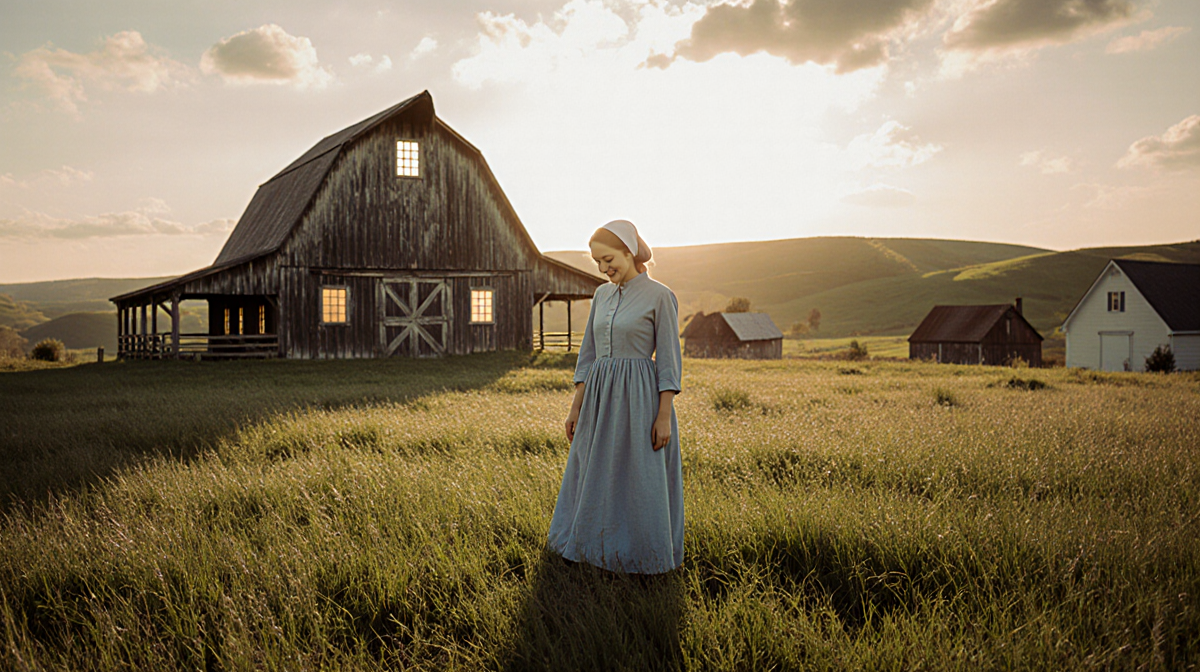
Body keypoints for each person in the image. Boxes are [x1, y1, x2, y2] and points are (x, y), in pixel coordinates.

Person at [546, 219, 684, 574]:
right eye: (597, 263)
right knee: (593, 471)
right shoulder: (601, 294)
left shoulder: (660, 296)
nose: (604, 268)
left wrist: (664, 414)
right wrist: (575, 407)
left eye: (609, 259)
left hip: (640, 397)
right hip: (598, 397)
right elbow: (588, 354)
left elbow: (668, 359)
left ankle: (641, 555)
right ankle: (592, 547)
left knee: (638, 476)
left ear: (630, 251)